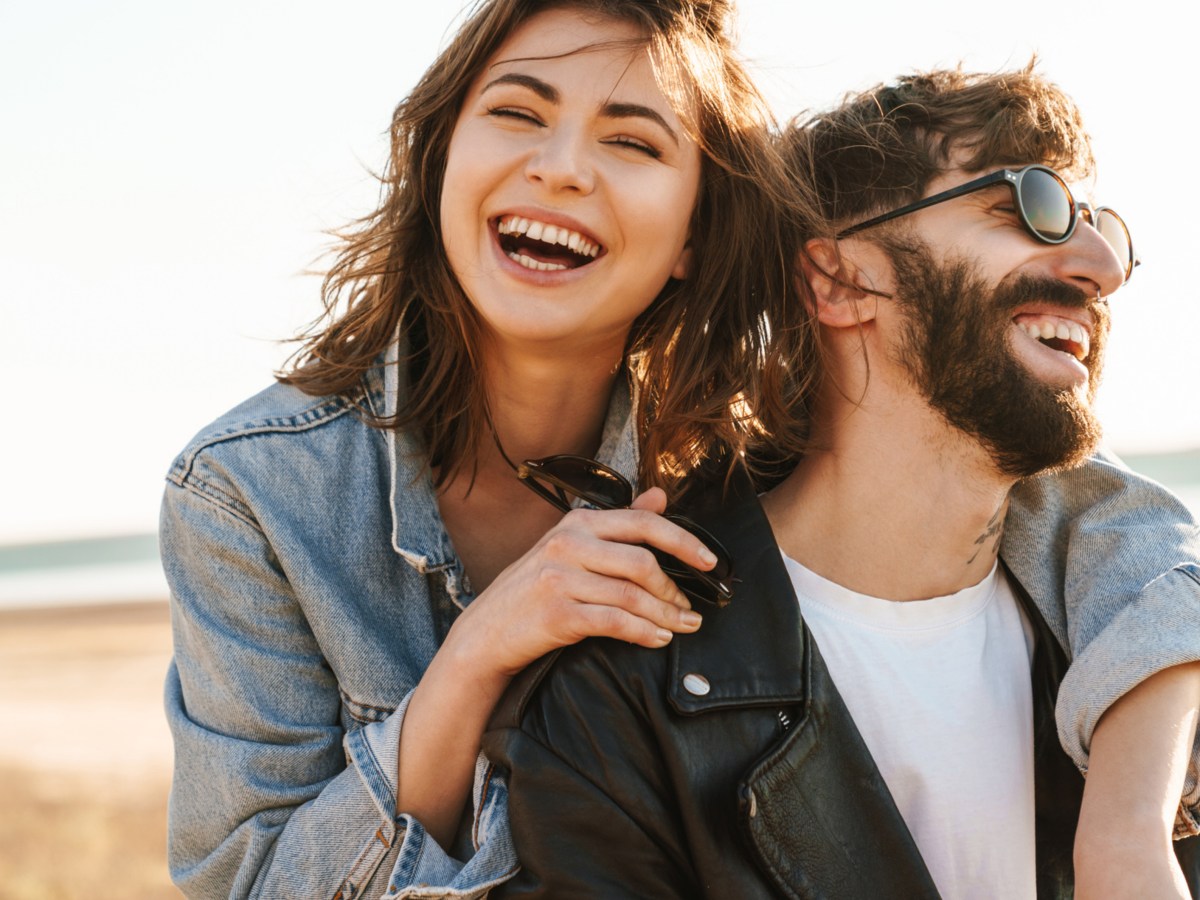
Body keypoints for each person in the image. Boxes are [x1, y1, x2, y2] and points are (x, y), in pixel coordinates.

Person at [485, 65, 1200, 898]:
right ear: (840, 280)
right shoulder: (620, 701)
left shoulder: (1130, 656)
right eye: (1031, 207)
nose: (1100, 266)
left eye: (1101, 227)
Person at [160, 1, 798, 896]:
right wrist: (478, 657)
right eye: (517, 113)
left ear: (694, 233)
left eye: (634, 143)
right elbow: (250, 883)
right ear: (442, 156)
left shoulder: (759, 484)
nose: (562, 168)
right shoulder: (250, 490)